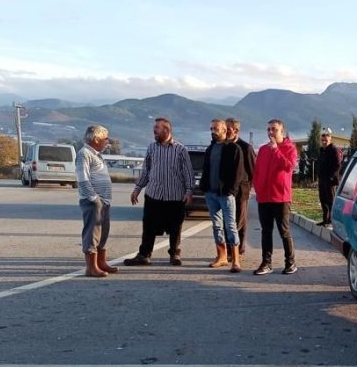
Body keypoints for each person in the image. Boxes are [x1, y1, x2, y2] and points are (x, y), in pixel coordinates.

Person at [123, 118, 194, 266]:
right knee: (148, 225)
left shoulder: (180, 149)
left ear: (166, 130)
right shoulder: (151, 148)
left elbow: (188, 172)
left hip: (174, 196)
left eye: (157, 129)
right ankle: (144, 255)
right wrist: (137, 189)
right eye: (154, 129)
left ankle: (174, 254)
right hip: (153, 195)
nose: (154, 131)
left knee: (175, 227)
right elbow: (146, 171)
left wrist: (189, 191)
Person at [252, 118, 298, 275]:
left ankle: (290, 263)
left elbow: (289, 166)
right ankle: (266, 263)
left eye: (274, 129)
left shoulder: (289, 148)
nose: (271, 132)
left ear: (282, 132)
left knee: (284, 231)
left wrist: (275, 150)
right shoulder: (263, 150)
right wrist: (257, 187)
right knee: (266, 231)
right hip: (264, 197)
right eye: (269, 129)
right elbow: (257, 171)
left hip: (281, 198)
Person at [201, 119, 244, 272]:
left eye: (216, 129)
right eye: (211, 128)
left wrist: (230, 190)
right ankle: (222, 257)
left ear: (225, 130)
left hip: (225, 195)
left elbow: (238, 174)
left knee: (230, 226)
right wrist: (204, 187)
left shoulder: (234, 149)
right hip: (211, 193)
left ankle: (236, 260)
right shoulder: (210, 149)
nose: (213, 131)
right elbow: (206, 169)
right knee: (216, 226)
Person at [76, 124, 117, 278]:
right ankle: (91, 267)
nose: (107, 141)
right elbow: (83, 178)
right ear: (96, 138)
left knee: (103, 232)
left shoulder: (97, 154)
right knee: (92, 234)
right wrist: (94, 199)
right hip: (93, 201)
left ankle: (101, 262)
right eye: (105, 138)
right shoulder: (84, 153)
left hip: (104, 201)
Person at [225, 117, 256, 257]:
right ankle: (228, 249)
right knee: (227, 220)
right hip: (226, 190)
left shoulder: (246, 148)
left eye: (228, 129)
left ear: (236, 130)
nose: (226, 132)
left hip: (241, 191)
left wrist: (249, 189)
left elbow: (253, 170)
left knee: (239, 220)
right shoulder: (223, 145)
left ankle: (239, 248)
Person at [316, 127, 342, 226]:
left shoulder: (334, 150)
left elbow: (338, 165)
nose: (324, 142)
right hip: (322, 179)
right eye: (322, 140)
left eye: (326, 140)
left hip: (330, 180)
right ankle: (325, 219)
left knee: (331, 201)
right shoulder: (322, 150)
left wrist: (331, 177)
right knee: (323, 200)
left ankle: (331, 220)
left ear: (330, 139)